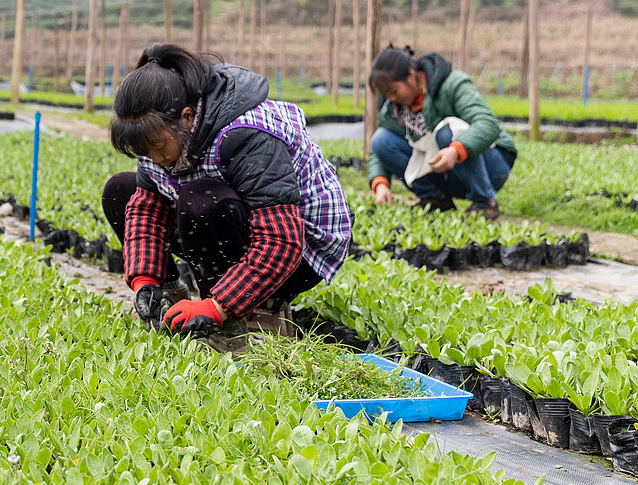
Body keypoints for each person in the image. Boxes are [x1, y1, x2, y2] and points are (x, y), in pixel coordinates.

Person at [103, 44, 352, 337]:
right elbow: (147, 210)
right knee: (121, 191)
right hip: (239, 226)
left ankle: (247, 312)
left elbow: (282, 241)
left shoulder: (247, 133)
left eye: (157, 147)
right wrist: (145, 279)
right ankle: (170, 301)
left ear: (187, 117)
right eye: (144, 151)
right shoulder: (162, 137)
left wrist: (217, 306)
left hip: (299, 252)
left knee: (199, 200)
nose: (154, 159)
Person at [366, 45, 517, 220]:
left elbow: (488, 124)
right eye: (386, 94)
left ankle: (484, 202)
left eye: (393, 91)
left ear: (410, 75)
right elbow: (379, 151)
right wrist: (380, 183)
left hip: (490, 167)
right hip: (444, 173)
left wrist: (457, 150)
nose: (391, 98)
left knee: (447, 132)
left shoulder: (452, 83)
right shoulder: (394, 109)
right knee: (380, 139)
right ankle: (435, 199)